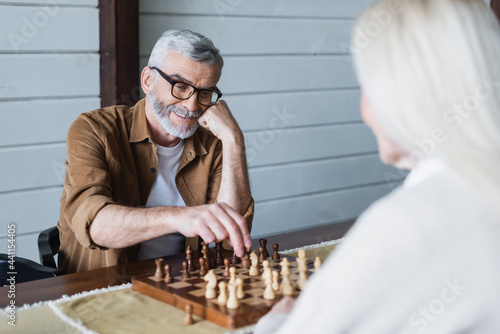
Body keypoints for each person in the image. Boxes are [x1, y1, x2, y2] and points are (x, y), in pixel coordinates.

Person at [255, 0, 500, 332]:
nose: (364, 106)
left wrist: (278, 320)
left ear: (400, 97)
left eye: (367, 87)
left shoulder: (406, 223)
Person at [58, 30, 254, 273]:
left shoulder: (213, 141)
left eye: (204, 93)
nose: (191, 105)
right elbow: (94, 224)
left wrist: (233, 138)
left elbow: (229, 239)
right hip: (104, 290)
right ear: (148, 81)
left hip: (183, 283)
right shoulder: (94, 129)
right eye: (180, 86)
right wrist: (179, 218)